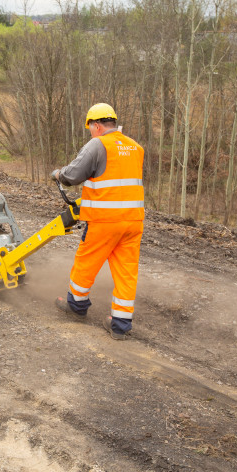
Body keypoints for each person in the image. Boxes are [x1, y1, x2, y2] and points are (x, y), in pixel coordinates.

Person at [52, 103, 144, 340]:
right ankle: (120, 324)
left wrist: (58, 174)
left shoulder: (98, 143)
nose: (91, 132)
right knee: (126, 271)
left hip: (105, 221)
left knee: (87, 261)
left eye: (91, 128)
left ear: (97, 125)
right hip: (133, 222)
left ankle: (77, 306)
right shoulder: (135, 147)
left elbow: (72, 175)